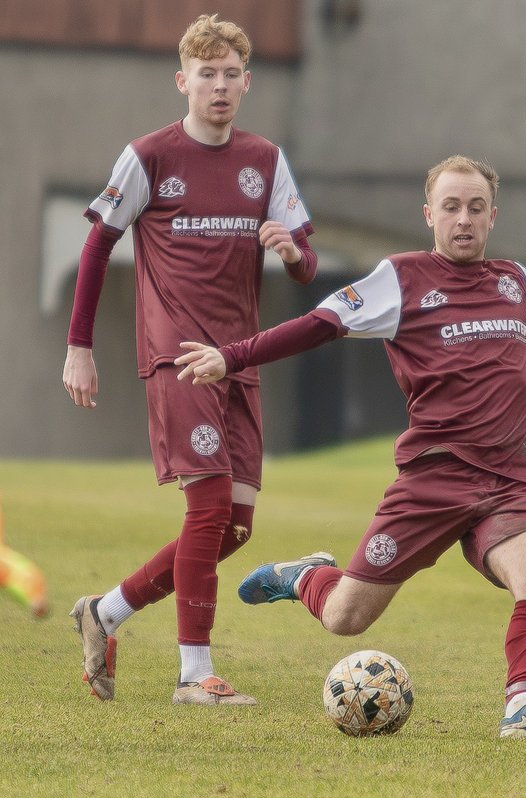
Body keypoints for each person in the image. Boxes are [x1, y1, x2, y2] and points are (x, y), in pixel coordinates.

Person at [176, 155, 526, 740]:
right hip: (432, 482)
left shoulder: (523, 285)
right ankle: (304, 577)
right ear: (429, 214)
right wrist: (231, 357)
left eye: (476, 208)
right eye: (451, 207)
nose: (463, 219)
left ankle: (524, 704)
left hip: (511, 485)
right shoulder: (400, 279)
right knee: (346, 618)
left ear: (493, 216)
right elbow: (317, 325)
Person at [62, 14, 319, 705]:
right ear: (183, 81)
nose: (219, 86)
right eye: (207, 74)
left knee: (234, 526)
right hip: (177, 357)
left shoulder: (265, 160)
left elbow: (305, 262)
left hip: (238, 360)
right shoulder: (148, 156)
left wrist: (292, 253)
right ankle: (194, 675)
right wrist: (80, 346)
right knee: (208, 510)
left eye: (231, 74)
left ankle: (106, 611)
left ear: (247, 82)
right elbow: (97, 246)